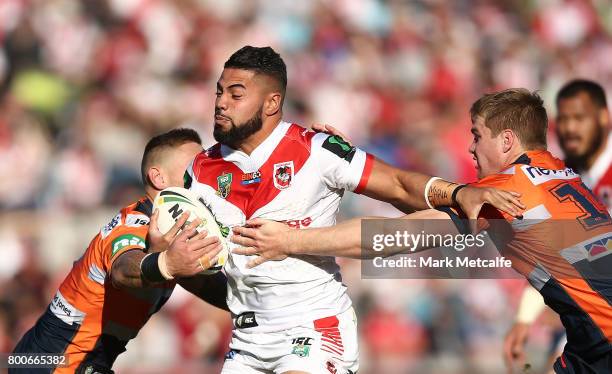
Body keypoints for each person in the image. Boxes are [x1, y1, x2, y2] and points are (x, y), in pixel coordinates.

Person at [155, 46, 523, 374]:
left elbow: (397, 184)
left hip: (312, 328)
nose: (221, 102)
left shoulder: (316, 149)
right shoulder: (199, 171)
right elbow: (186, 254)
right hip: (247, 342)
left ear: (271, 102)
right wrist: (168, 254)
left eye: (236, 94)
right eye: (219, 92)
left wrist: (458, 194)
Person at [231, 88, 612, 374]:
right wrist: (350, 166)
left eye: (477, 135)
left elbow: (392, 238)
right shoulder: (557, 173)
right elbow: (428, 204)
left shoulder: (504, 193)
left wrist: (290, 240)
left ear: (507, 140)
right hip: (590, 333)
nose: (470, 148)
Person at [11, 128, 227, 374]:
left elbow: (214, 289)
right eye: (193, 169)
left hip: (68, 360)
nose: (204, 176)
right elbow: (123, 271)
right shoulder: (135, 225)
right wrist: (165, 264)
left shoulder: (172, 234)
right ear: (158, 178)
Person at [503, 79, 612, 372]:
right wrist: (525, 317)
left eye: (580, 118)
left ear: (604, 117)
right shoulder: (561, 175)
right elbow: (555, 255)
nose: (570, 128)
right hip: (590, 322)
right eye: (563, 119)